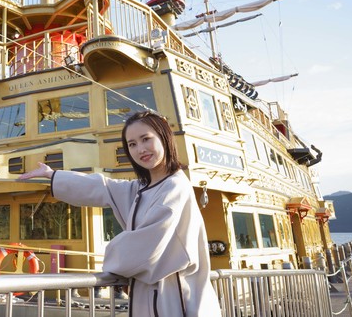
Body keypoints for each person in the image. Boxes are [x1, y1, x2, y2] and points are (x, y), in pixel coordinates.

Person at [18, 110, 221, 316]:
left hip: (177, 300)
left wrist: (111, 260)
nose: (140, 149)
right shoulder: (145, 187)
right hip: (159, 297)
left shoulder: (173, 188)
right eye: (132, 144)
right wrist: (53, 175)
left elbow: (146, 246)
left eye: (146, 139)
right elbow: (104, 187)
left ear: (164, 137)